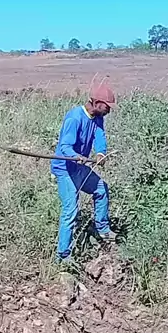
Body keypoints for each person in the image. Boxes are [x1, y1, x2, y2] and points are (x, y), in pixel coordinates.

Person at [51, 83, 116, 261]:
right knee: (70, 211)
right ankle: (63, 256)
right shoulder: (74, 118)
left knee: (101, 189)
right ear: (96, 102)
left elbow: (99, 137)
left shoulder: (98, 118)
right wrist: (75, 156)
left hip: (79, 167)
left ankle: (102, 229)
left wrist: (101, 153)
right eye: (107, 106)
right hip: (65, 169)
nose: (109, 110)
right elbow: (65, 146)